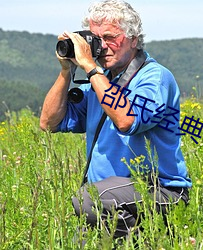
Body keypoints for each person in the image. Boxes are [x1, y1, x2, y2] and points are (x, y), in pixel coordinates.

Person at [40, 0, 192, 244]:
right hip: (110, 199)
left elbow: (127, 120)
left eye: (110, 37)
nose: (102, 47)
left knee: (88, 199)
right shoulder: (99, 83)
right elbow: (49, 123)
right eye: (96, 39)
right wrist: (66, 70)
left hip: (159, 191)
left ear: (133, 39)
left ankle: (146, 241)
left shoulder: (154, 77)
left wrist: (90, 67)